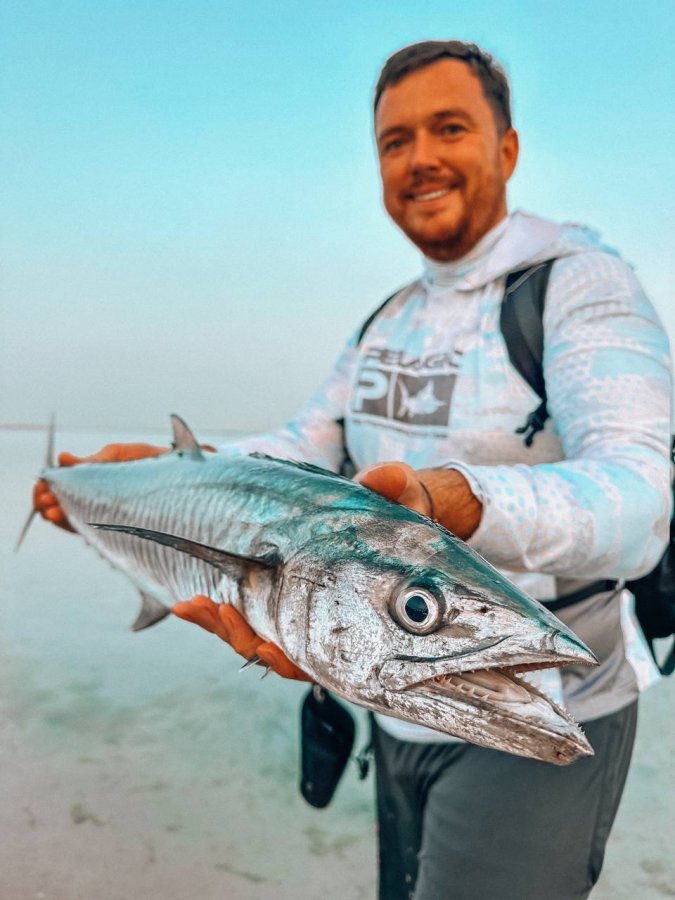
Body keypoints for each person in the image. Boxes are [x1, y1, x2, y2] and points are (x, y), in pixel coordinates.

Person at [35, 40, 672, 900]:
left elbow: (637, 499)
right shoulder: (389, 320)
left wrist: (457, 500)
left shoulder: (582, 286)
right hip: (393, 699)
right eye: (394, 141)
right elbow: (302, 448)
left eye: (449, 128)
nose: (420, 159)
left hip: (550, 704)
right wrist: (165, 472)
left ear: (507, 147)